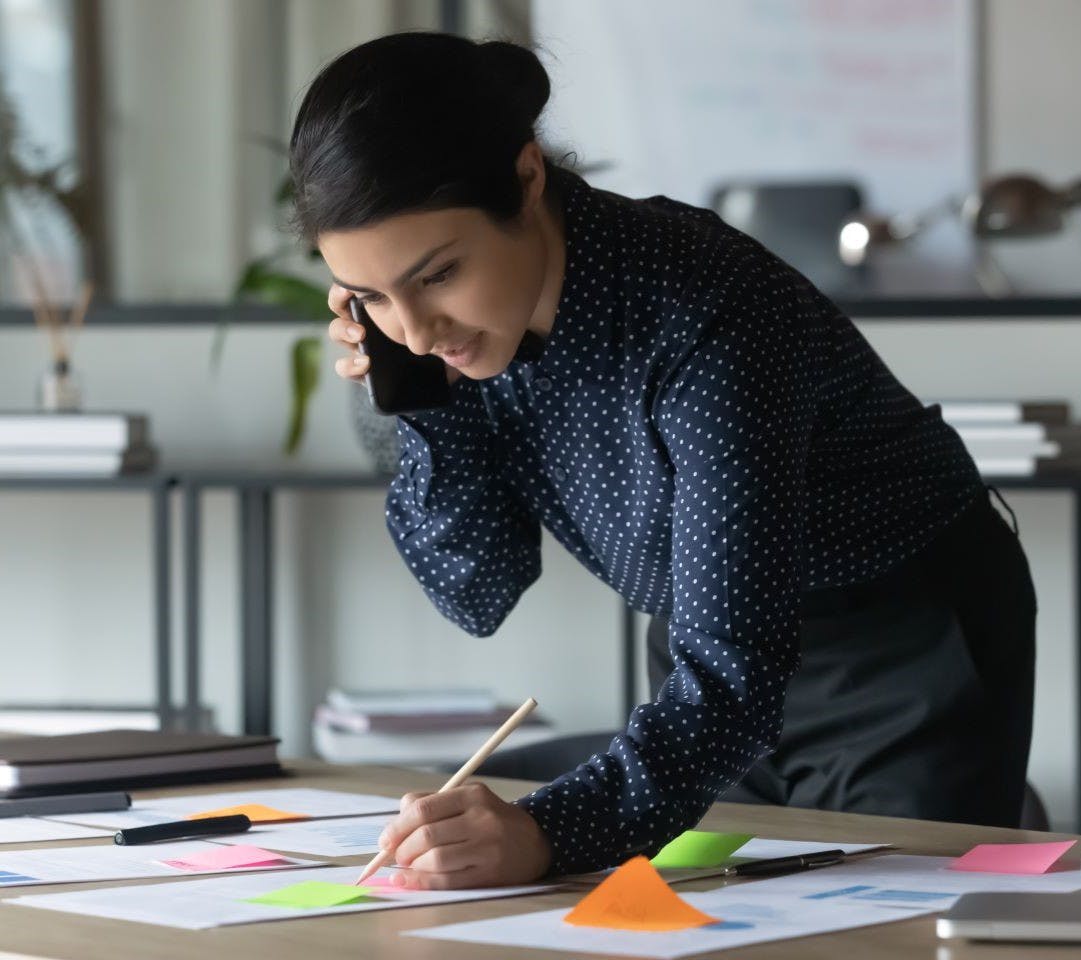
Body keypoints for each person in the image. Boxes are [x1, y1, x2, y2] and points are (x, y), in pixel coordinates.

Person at [289, 32, 1037, 890]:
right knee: (702, 925)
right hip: (706, 658)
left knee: (878, 929)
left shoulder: (706, 307)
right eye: (372, 297)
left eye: (437, 274)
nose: (417, 329)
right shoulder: (440, 345)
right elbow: (476, 589)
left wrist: (541, 832)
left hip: (898, 641)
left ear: (527, 180)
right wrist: (415, 397)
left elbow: (735, 678)